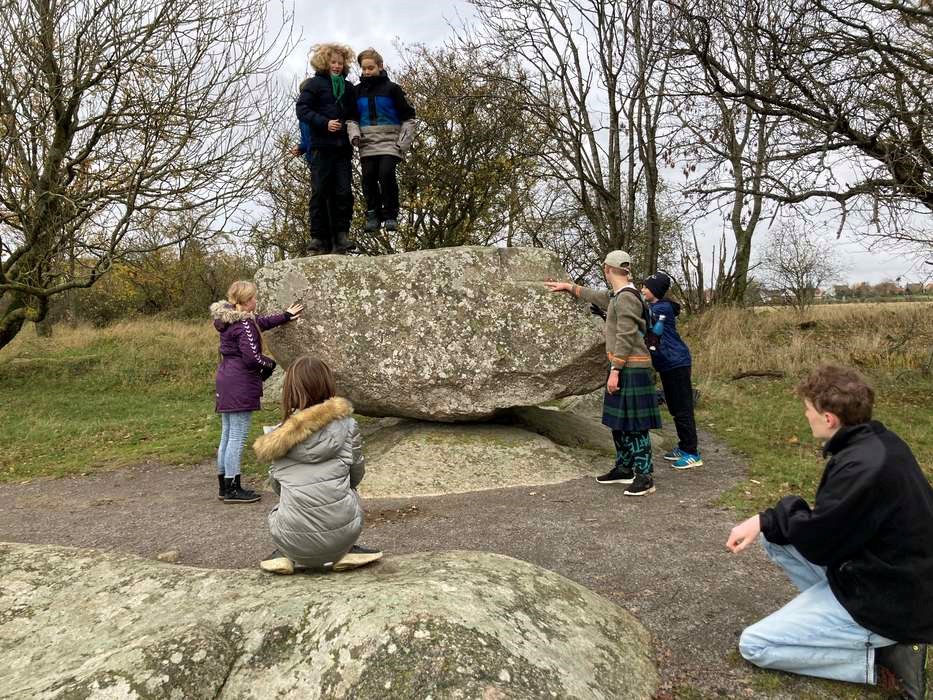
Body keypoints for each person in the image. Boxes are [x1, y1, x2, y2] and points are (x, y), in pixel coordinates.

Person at [726, 365, 933, 699]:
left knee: (755, 645)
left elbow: (819, 543)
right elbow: (828, 526)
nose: (805, 416)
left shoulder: (863, 466)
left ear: (829, 418)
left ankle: (881, 655)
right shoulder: (878, 441)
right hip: (888, 573)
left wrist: (767, 518)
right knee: (772, 534)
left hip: (890, 601)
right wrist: (764, 521)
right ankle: (844, 623)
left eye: (808, 410)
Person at [253, 354, 383, 574]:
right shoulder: (348, 426)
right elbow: (356, 475)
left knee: (284, 502)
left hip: (292, 537)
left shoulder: (277, 437)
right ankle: (345, 549)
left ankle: (285, 554)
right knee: (348, 492)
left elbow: (277, 486)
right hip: (343, 533)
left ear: (290, 391)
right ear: (328, 385)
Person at [546, 250, 662, 496]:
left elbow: (626, 334)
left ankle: (645, 475)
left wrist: (616, 369)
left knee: (634, 425)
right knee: (618, 423)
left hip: (632, 366)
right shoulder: (620, 295)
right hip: (625, 366)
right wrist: (570, 287)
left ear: (607, 270)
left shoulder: (627, 298)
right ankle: (624, 467)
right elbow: (598, 296)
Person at [210, 281, 303, 503]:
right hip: (240, 381)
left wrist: (285, 315)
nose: (255, 301)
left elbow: (260, 322)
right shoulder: (244, 325)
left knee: (227, 435)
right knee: (237, 438)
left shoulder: (229, 318)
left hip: (226, 378)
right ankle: (234, 488)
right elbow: (252, 358)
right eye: (252, 298)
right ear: (245, 301)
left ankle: (225, 486)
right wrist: (269, 364)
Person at [295, 43, 359, 255]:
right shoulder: (315, 84)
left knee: (343, 193)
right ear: (325, 62)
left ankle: (341, 236)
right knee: (320, 192)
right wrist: (324, 123)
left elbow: (354, 115)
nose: (337, 66)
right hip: (321, 147)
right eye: (333, 62)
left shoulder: (349, 88)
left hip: (342, 149)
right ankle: (318, 238)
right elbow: (302, 109)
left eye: (341, 63)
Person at [347, 48, 416, 234]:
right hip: (367, 143)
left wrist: (403, 143)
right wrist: (354, 135)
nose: (367, 71)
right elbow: (351, 118)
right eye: (364, 68)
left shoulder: (392, 89)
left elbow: (409, 117)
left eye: (371, 67)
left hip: (390, 141)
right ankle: (372, 214)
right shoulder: (356, 91)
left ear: (380, 66)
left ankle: (391, 214)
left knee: (386, 173)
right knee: (368, 176)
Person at [641, 272, 702, 469]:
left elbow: (641, 320)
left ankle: (692, 452)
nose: (642, 290)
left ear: (656, 290)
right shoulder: (655, 307)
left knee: (683, 409)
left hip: (677, 363)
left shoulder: (661, 308)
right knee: (675, 408)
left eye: (646, 287)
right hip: (667, 364)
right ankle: (684, 446)